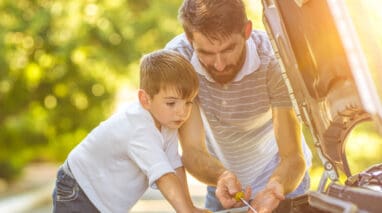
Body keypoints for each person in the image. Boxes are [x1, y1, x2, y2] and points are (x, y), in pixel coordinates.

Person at [165, 0, 313, 212]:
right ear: (189, 39)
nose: (219, 64)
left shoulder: (273, 60)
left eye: (228, 49)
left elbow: (293, 157)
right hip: (220, 182)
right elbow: (192, 150)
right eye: (206, 53)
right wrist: (222, 176)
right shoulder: (178, 62)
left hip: (280, 181)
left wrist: (274, 189)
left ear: (247, 30)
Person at [52, 49, 208, 213]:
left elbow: (174, 166)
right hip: (79, 188)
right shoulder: (139, 128)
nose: (182, 112)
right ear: (145, 99)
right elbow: (163, 176)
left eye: (188, 103)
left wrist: (188, 207)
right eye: (171, 103)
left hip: (105, 201)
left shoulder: (167, 122)